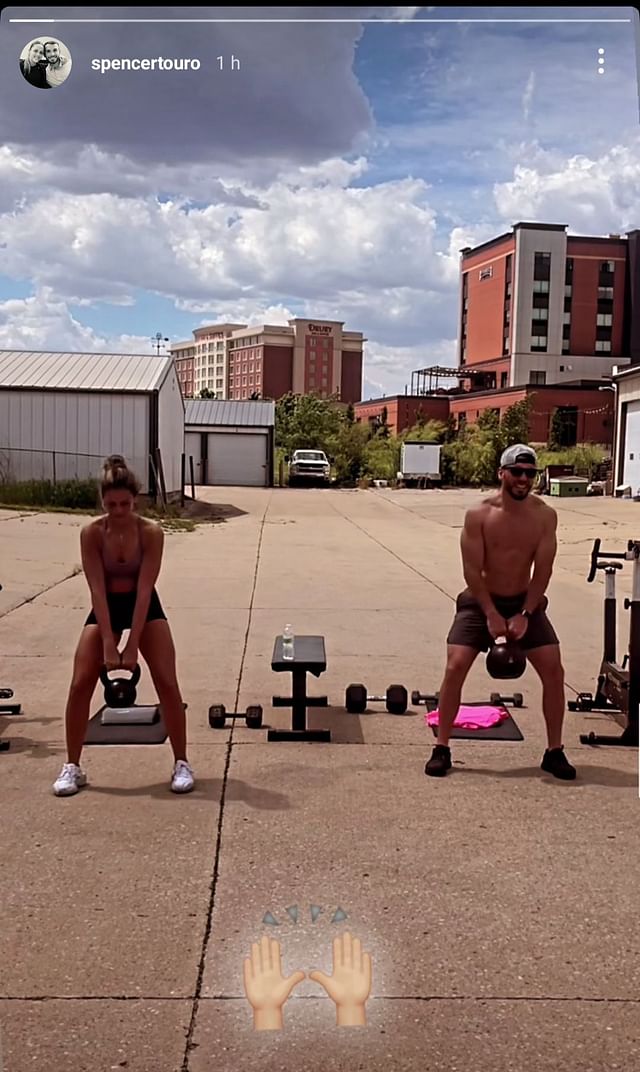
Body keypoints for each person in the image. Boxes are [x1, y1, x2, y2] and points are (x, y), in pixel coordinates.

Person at [425, 443, 576, 781]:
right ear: (502, 474)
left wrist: (525, 612)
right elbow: (471, 571)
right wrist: (491, 613)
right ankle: (442, 747)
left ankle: (554, 751)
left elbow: (543, 573)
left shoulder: (544, 516)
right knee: (456, 665)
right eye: (517, 472)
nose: (524, 479)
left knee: (554, 669)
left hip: (525, 602)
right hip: (480, 602)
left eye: (530, 474)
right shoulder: (479, 514)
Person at [53, 455, 194, 796]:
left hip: (142, 605)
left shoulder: (150, 532)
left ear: (136, 500)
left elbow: (145, 589)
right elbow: (96, 590)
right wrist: (107, 641)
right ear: (102, 501)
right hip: (106, 607)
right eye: (111, 504)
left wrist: (131, 646)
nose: (118, 510)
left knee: (166, 680)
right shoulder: (91, 533)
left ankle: (181, 762)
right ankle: (72, 766)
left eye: (125, 504)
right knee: (79, 683)